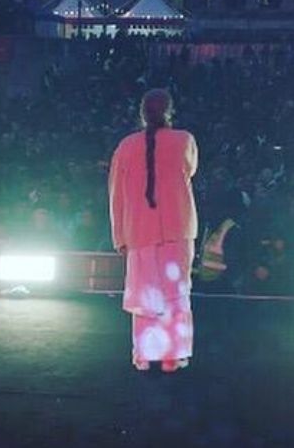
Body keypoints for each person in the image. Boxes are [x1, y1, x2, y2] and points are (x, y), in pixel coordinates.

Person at [108, 88, 198, 373]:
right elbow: (189, 169)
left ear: (142, 113)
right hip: (177, 228)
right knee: (176, 292)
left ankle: (144, 356)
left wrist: (119, 236)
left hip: (138, 230)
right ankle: (173, 356)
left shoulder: (125, 146)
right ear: (170, 111)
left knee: (145, 295)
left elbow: (115, 195)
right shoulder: (184, 140)